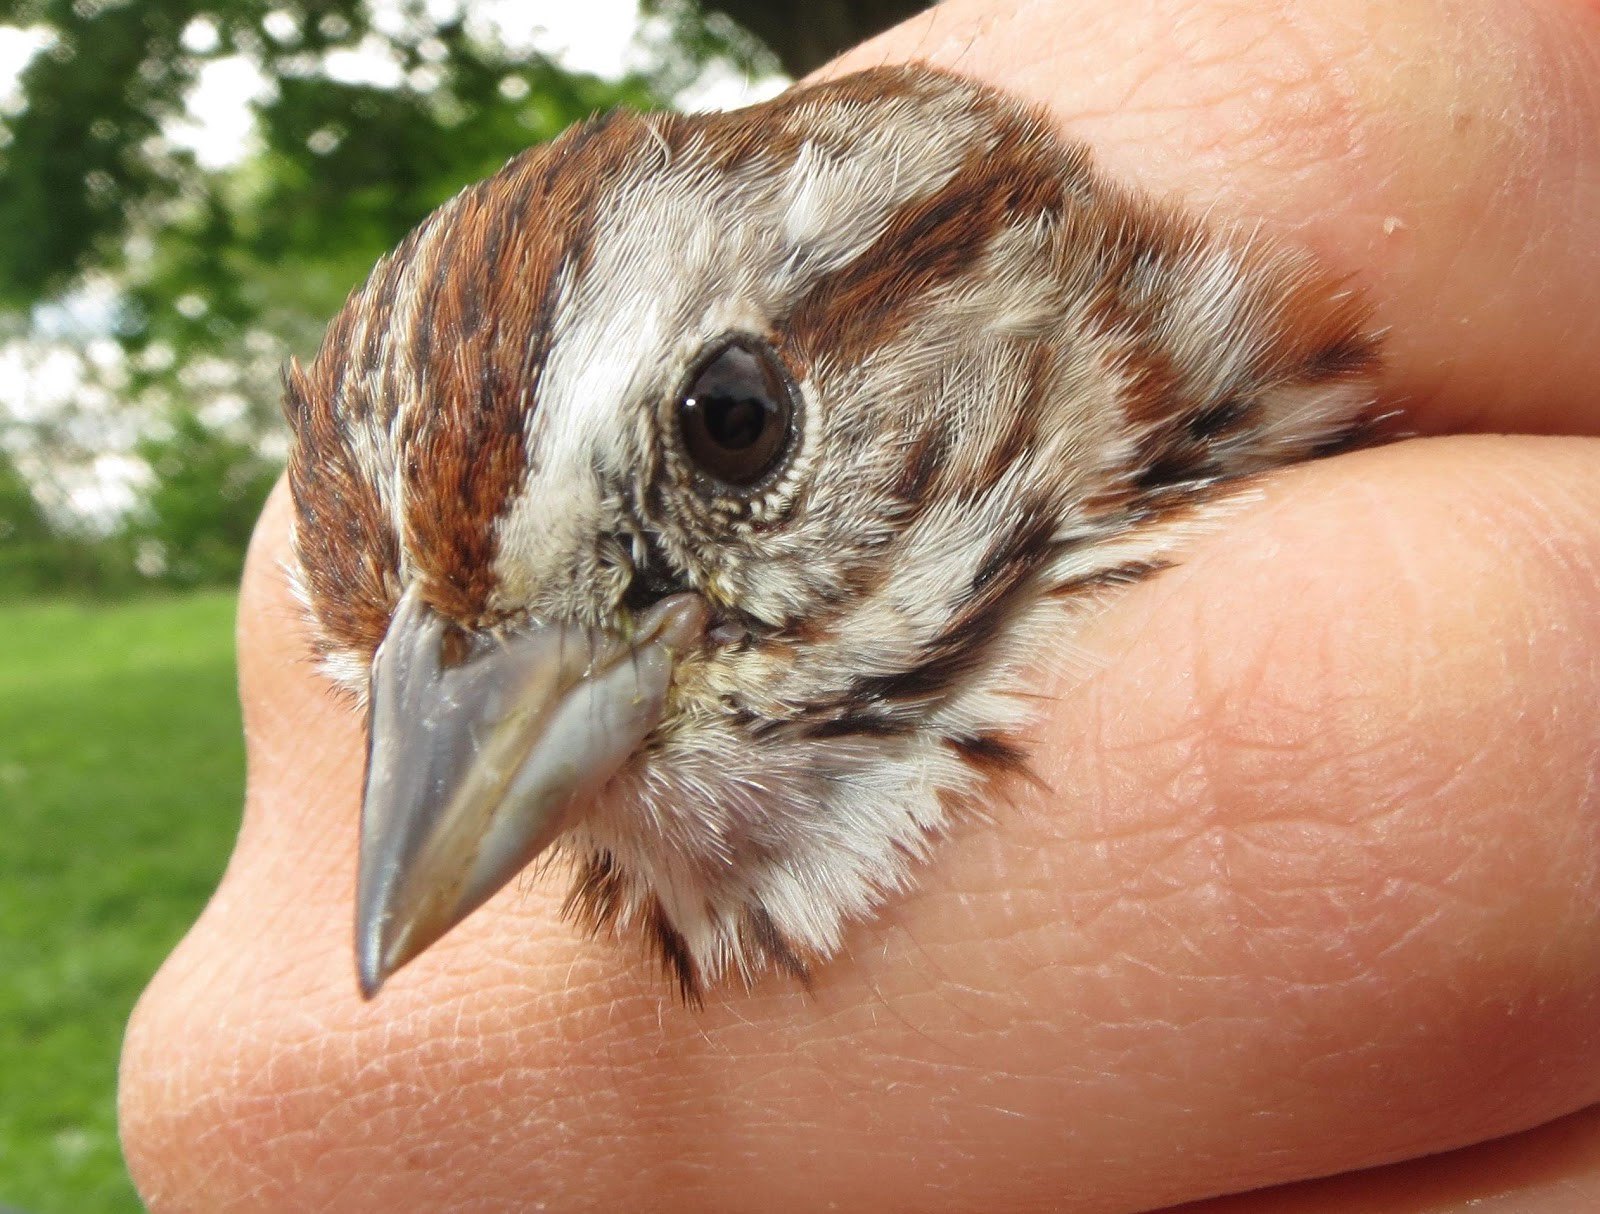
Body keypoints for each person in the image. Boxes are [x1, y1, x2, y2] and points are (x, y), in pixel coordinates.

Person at [118, 0, 1600, 1208]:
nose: (504, 766)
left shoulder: (1387, 328)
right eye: (397, 708)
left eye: (730, 432)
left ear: (990, 273)